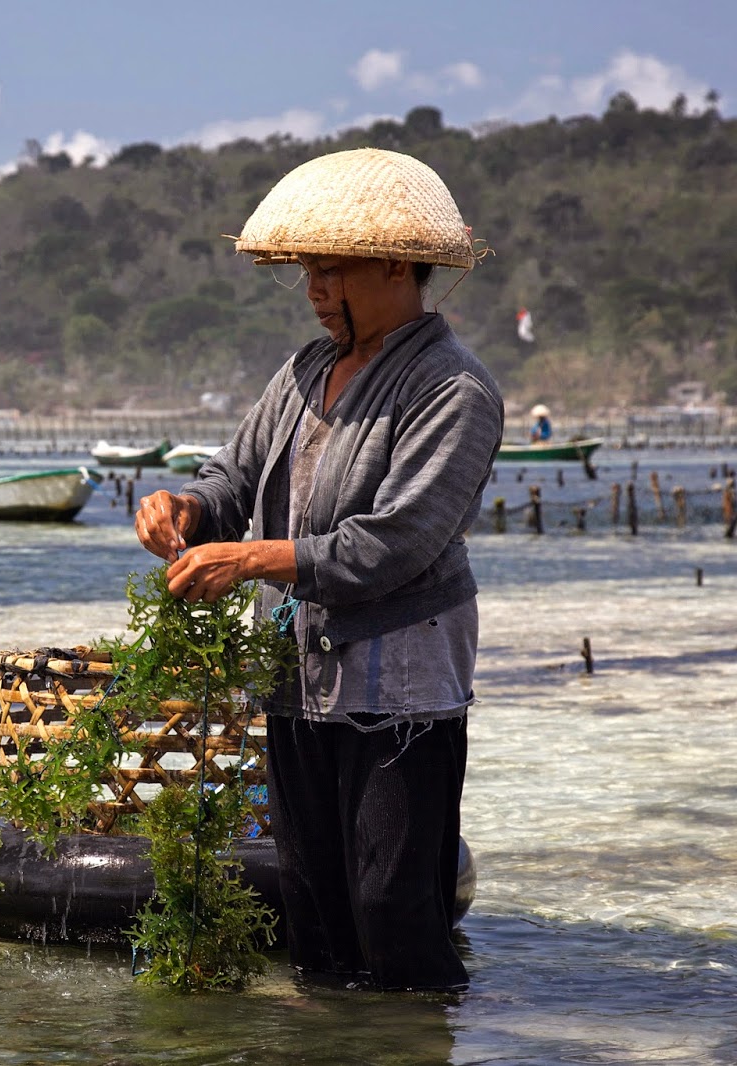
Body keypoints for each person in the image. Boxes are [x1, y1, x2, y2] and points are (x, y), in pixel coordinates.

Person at [134, 148, 503, 992]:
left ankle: (417, 1046)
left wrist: (256, 558)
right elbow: (234, 476)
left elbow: (396, 542)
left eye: (331, 271)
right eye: (306, 271)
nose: (312, 290)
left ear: (396, 268)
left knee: (393, 915)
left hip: (400, 693)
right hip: (299, 679)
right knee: (316, 917)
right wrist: (186, 510)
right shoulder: (304, 372)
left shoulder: (453, 390)